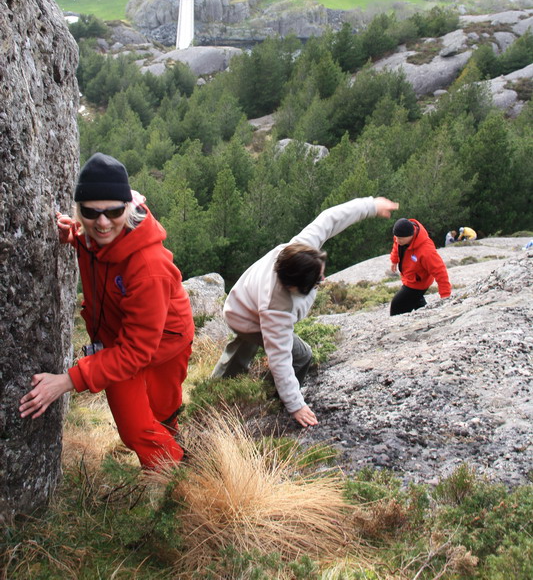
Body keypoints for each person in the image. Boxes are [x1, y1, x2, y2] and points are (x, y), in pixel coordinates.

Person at [19, 153, 194, 468]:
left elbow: (138, 351)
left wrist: (68, 380)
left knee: (161, 412)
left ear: (127, 208)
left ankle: (181, 480)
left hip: (166, 343)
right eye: (90, 212)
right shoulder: (90, 235)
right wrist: (71, 234)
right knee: (135, 430)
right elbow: (91, 241)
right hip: (121, 344)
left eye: (113, 211)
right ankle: (176, 469)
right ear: (80, 211)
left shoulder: (148, 266)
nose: (102, 222)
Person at [211, 195, 399, 428]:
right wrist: (295, 404)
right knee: (301, 355)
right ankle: (271, 398)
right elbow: (280, 359)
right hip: (245, 317)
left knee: (242, 348)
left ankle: (216, 388)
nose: (323, 277)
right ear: (293, 287)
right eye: (317, 280)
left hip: (240, 303)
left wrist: (370, 206)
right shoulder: (276, 308)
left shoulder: (301, 248)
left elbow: (330, 219)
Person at [389, 218, 451, 316]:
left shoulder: (426, 250)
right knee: (418, 303)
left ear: (411, 235)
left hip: (418, 284)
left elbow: (440, 271)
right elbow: (396, 246)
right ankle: (428, 317)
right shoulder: (401, 236)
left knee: (397, 306)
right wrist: (394, 260)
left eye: (400, 238)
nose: (397, 240)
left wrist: (445, 295)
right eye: (396, 237)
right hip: (409, 277)